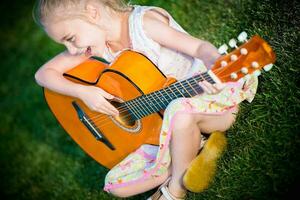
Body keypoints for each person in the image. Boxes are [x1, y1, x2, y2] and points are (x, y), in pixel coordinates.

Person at [33, 0, 258, 199]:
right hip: (161, 128)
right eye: (65, 44)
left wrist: (214, 62)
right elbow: (43, 74)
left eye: (70, 39)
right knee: (115, 186)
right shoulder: (94, 45)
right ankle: (193, 150)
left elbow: (199, 47)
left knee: (179, 112)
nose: (71, 50)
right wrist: (84, 93)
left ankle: (176, 189)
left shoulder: (144, 25)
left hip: (210, 105)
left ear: (92, 13)